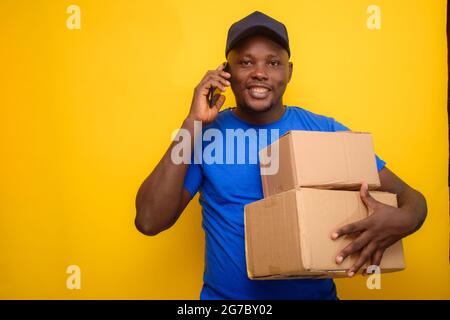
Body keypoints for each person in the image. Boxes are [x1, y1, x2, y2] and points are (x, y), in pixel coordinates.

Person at [135, 11, 427, 299]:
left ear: (289, 71)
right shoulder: (204, 135)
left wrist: (406, 220)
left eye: (273, 62)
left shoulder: (324, 131)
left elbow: (412, 198)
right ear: (226, 72)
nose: (259, 72)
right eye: (245, 62)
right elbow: (149, 221)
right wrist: (192, 123)